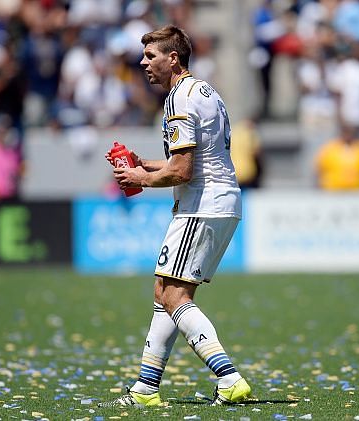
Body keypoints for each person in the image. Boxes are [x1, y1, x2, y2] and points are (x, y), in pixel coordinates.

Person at [98, 25, 251, 407]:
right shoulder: (204, 91)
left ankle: (228, 377)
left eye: (150, 56)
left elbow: (182, 172)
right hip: (219, 199)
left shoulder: (176, 100)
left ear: (173, 59)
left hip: (202, 203)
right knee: (164, 291)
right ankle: (146, 388)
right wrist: (143, 162)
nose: (142, 62)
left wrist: (139, 178)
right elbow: (194, 160)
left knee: (174, 294)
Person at [315, 124, 359, 190]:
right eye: (345, 132)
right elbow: (318, 170)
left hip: (358, 193)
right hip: (333, 193)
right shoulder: (329, 149)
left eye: (349, 132)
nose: (347, 135)